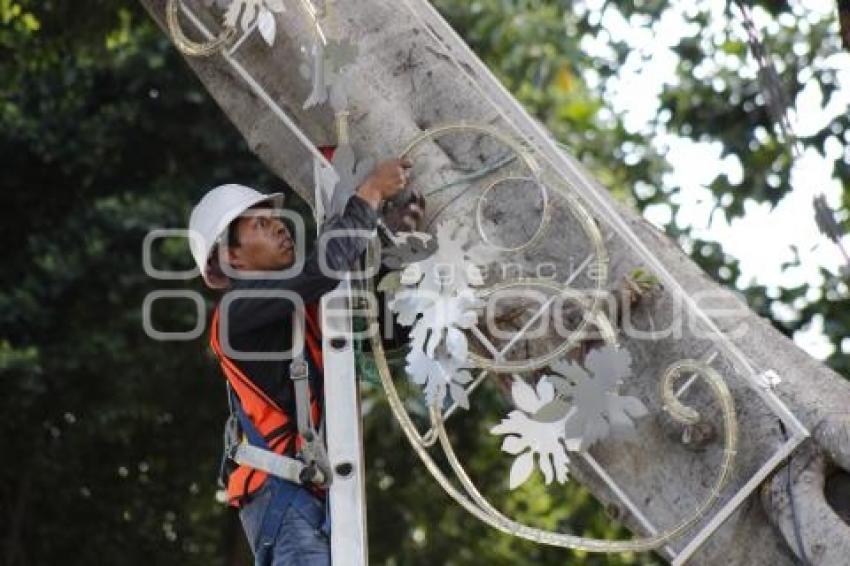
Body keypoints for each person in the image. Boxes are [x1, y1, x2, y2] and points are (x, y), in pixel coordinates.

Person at [187, 158, 421, 566]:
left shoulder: (297, 313)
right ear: (232, 259)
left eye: (275, 219)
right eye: (259, 224)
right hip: (285, 497)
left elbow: (380, 331)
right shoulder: (237, 313)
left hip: (306, 494)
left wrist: (398, 249)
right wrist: (370, 194)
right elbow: (324, 269)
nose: (280, 226)